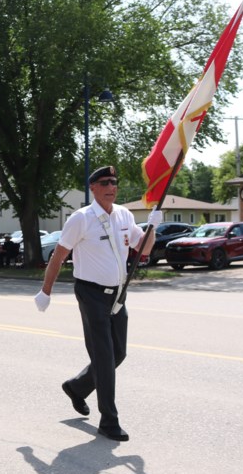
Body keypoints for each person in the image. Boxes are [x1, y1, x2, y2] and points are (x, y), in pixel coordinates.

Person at [34, 166, 159, 442]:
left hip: (117, 294)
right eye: (104, 182)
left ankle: (77, 387)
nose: (111, 187)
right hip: (90, 294)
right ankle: (109, 421)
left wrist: (153, 226)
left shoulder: (125, 215)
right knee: (103, 358)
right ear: (92, 188)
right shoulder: (82, 219)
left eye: (114, 182)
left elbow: (145, 248)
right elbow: (58, 256)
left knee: (118, 354)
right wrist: (46, 291)